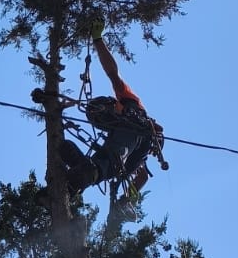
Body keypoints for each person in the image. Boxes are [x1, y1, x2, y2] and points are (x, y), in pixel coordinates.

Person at [60, 22, 167, 217]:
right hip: (132, 147)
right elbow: (142, 177)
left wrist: (98, 40)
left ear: (112, 105)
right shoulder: (123, 135)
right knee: (109, 162)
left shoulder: (129, 103)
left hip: (135, 133)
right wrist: (125, 200)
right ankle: (79, 178)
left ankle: (87, 174)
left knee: (113, 156)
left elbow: (112, 72)